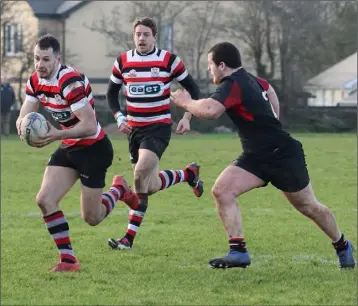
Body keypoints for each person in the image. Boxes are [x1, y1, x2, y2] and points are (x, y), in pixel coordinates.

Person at [171, 42, 355, 269]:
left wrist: (184, 102)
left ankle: (343, 245)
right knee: (222, 190)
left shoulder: (234, 83)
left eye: (210, 65)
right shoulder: (248, 80)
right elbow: (268, 89)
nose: (209, 70)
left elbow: (211, 110)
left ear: (221, 65)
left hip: (282, 155)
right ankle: (238, 251)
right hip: (255, 157)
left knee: (309, 207)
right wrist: (188, 115)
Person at [16, 34, 139, 272]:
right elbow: (25, 115)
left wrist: (54, 135)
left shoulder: (69, 82)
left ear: (57, 59)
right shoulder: (34, 81)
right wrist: (25, 129)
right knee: (45, 199)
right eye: (36, 58)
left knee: (92, 218)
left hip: (94, 148)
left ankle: (119, 190)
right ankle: (69, 260)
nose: (40, 64)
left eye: (46, 59)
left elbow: (90, 125)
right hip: (69, 146)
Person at [106, 17, 204, 250]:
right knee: (147, 185)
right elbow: (111, 95)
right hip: (134, 130)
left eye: (146, 34)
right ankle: (188, 175)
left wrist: (187, 117)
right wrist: (120, 118)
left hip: (158, 127)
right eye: (138, 34)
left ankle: (128, 240)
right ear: (134, 37)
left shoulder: (168, 61)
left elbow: (194, 89)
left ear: (154, 37)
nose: (141, 38)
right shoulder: (123, 61)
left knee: (140, 173)